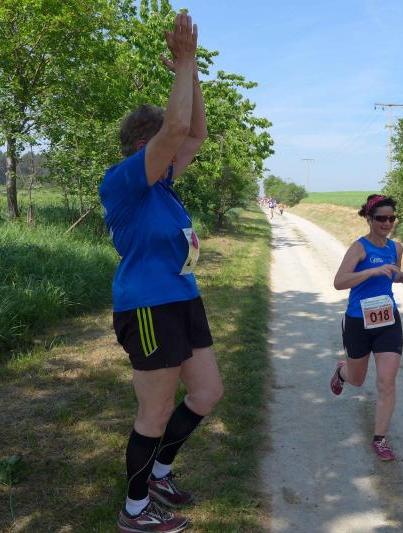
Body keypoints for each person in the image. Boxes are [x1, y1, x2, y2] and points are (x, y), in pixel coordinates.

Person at [99, 13, 223, 532]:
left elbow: (194, 132)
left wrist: (189, 73)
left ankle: (159, 474)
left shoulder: (164, 184)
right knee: (154, 411)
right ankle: (134, 511)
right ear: (142, 149)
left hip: (182, 299)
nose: (178, 152)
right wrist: (187, 61)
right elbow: (176, 130)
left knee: (206, 393)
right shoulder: (125, 181)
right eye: (164, 148)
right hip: (148, 305)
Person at [330, 194, 403, 461]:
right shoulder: (359, 248)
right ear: (369, 219)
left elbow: (392, 275)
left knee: (386, 382)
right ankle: (342, 372)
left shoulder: (396, 248)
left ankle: (380, 439)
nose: (387, 223)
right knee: (357, 380)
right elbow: (339, 282)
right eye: (381, 218)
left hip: (387, 319)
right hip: (358, 320)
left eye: (391, 218)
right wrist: (370, 271)